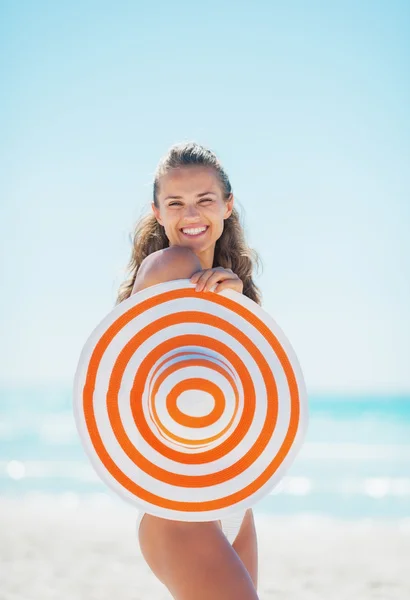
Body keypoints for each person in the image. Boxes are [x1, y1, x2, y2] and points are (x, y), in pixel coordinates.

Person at [116, 141, 263, 600]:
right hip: (181, 503)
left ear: (227, 205)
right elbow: (133, 364)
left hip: (230, 496)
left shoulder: (225, 278)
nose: (191, 213)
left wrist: (235, 300)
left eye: (205, 200)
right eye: (175, 202)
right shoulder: (171, 265)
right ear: (157, 212)